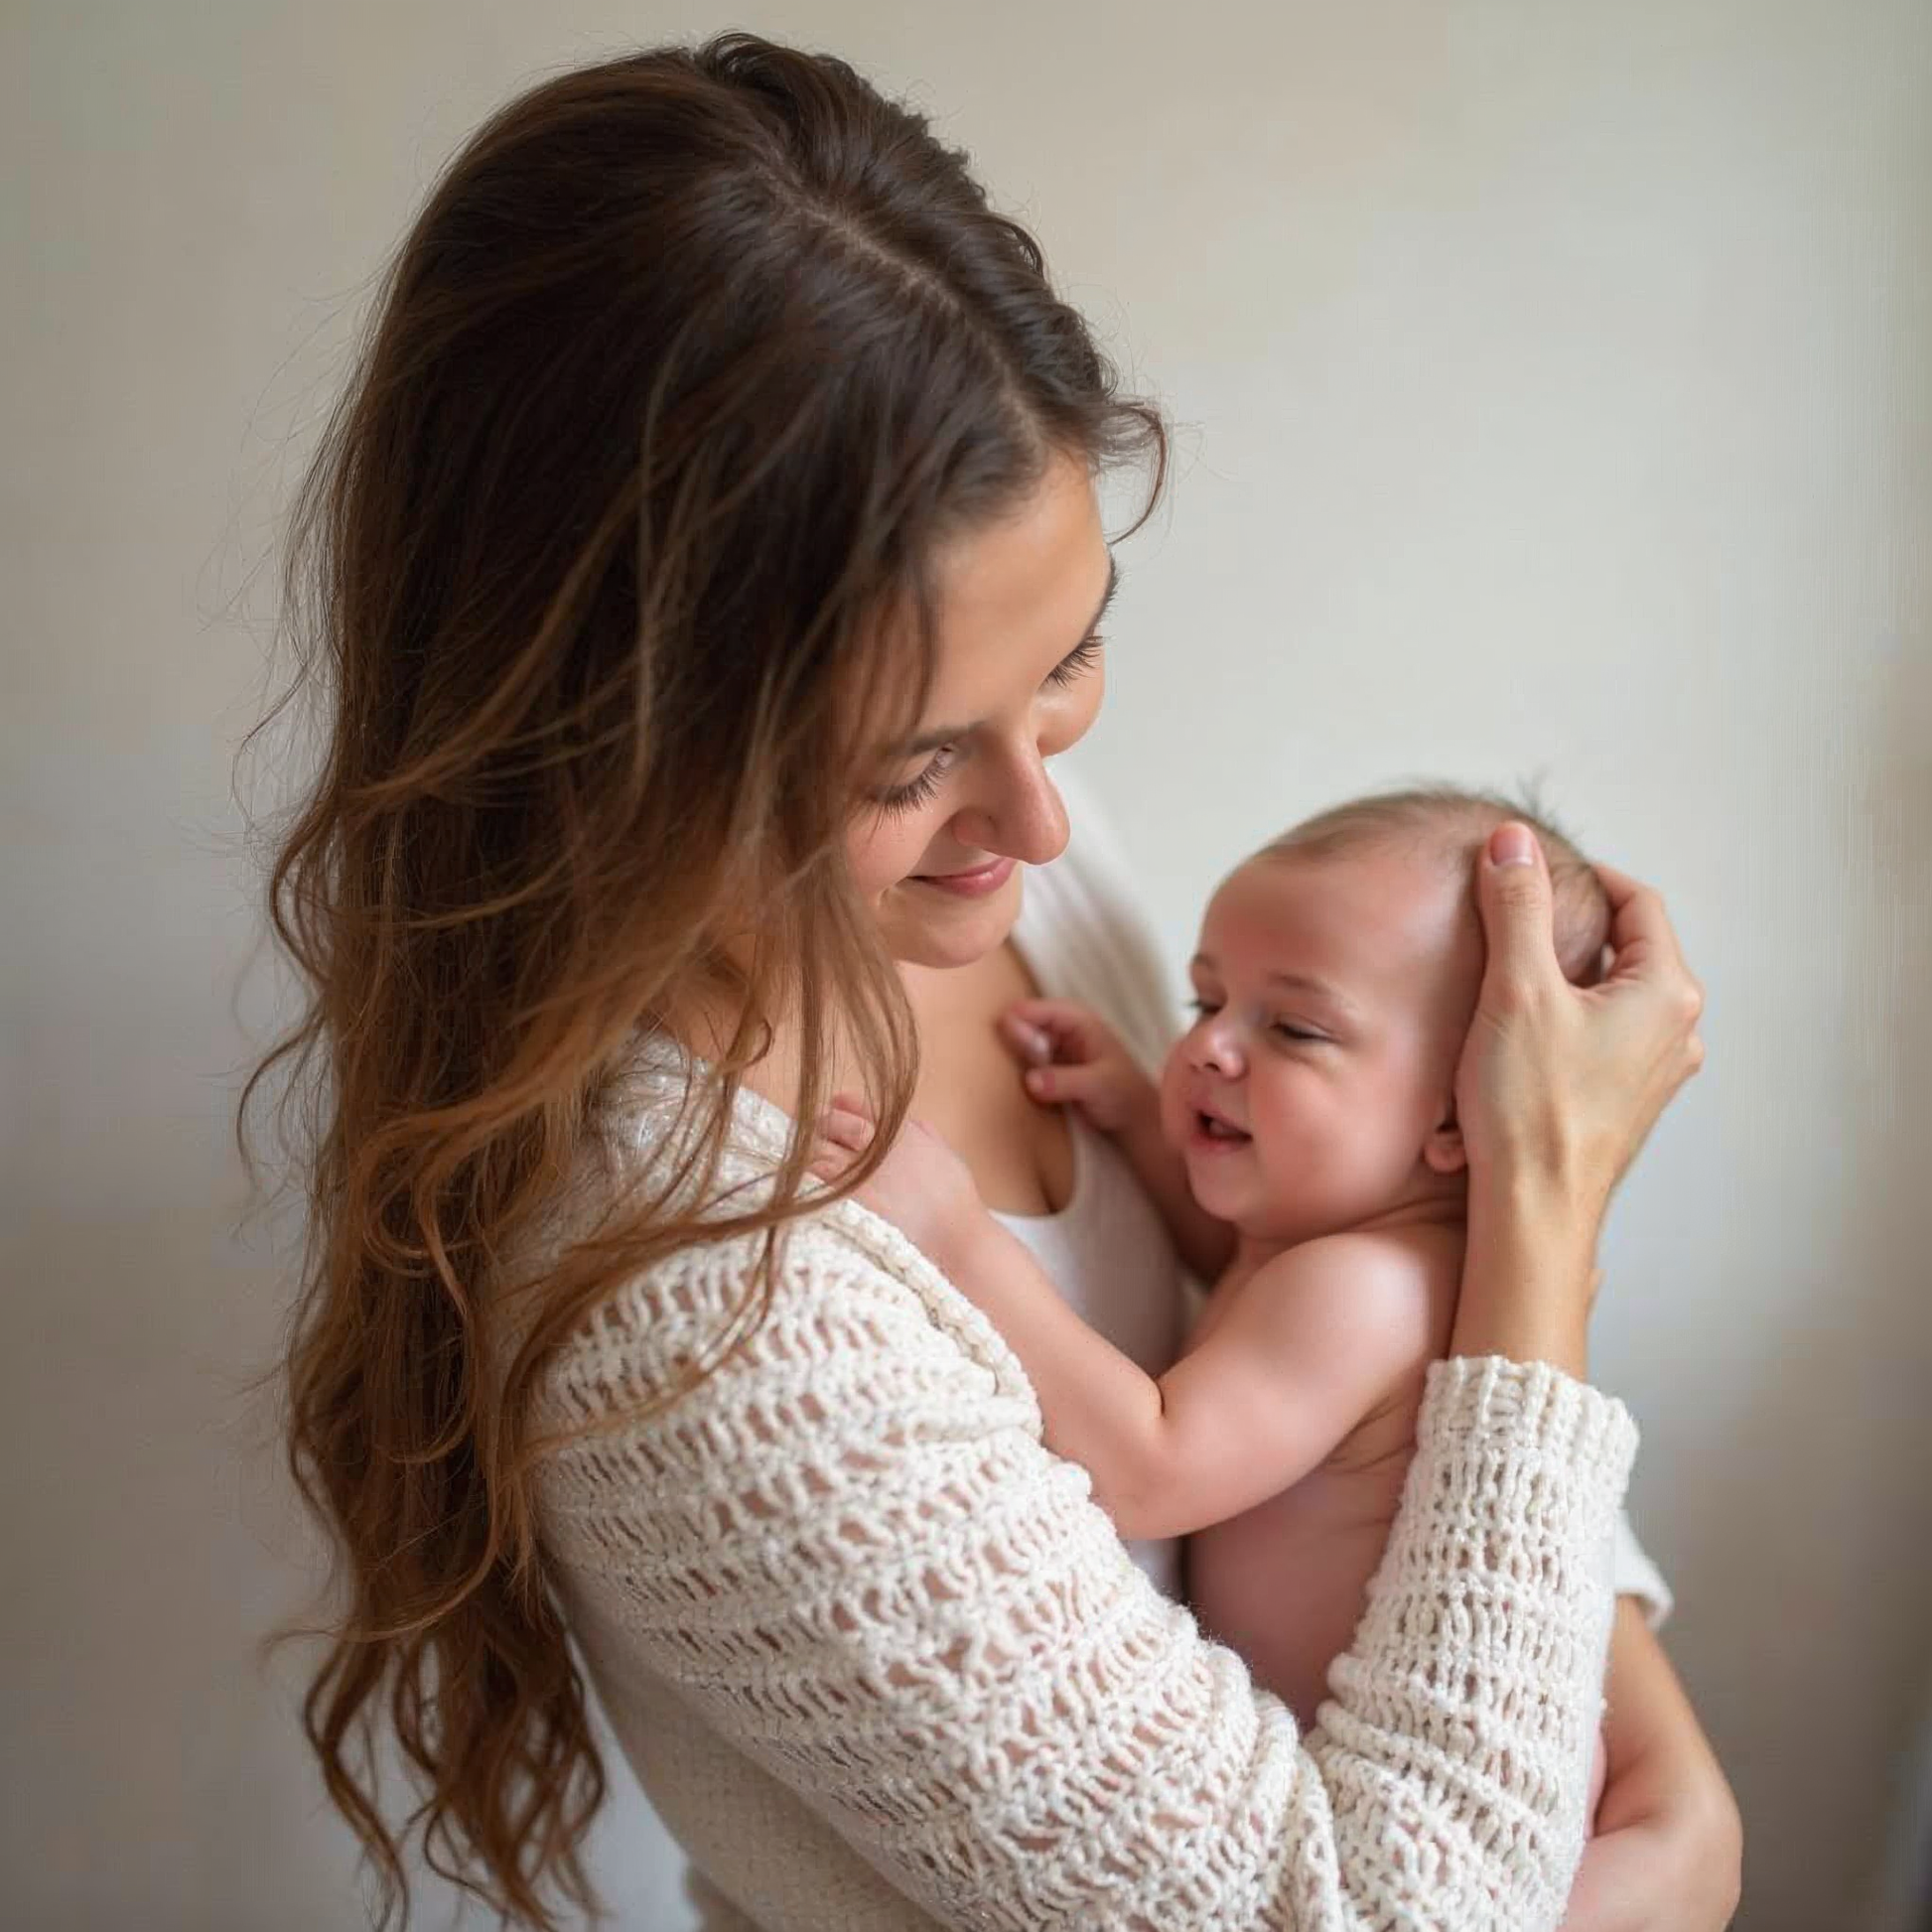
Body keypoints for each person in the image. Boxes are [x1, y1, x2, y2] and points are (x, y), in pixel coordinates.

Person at [248, 32, 1741, 1932]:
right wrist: (1544, 1202)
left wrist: (1662, 1764)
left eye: (1068, 660)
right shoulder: (692, 1306)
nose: (1040, 818)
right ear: (616, 736)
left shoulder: (988, 861)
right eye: (911, 761)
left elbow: (1364, 1333)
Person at [808, 789, 1624, 1779]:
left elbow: (1152, 1471)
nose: (1205, 1046)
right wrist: (1136, 1115)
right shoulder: (1333, 1243)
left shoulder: (1365, 1289)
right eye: (1206, 1001)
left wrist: (960, 1238)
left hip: (1370, 1784)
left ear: (1461, 1113)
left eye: (1295, 1029)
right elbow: (1227, 1269)